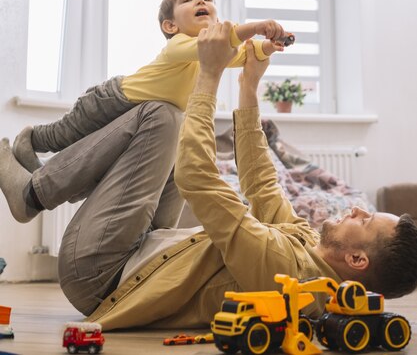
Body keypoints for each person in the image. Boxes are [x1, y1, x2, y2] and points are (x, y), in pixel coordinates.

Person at [1, 23, 417, 331]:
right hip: (145, 251)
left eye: (366, 221)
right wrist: (249, 87)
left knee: (161, 116)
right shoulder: (309, 251)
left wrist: (209, 75)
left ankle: (34, 195)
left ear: (357, 261)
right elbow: (261, 185)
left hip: (99, 277)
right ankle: (45, 188)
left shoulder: (288, 272)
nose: (358, 210)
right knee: (173, 118)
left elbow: (198, 179)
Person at [12, 0, 292, 173]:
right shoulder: (180, 45)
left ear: (216, 19)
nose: (200, 1)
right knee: (67, 134)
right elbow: (233, 37)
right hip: (114, 99)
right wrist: (255, 26)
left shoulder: (214, 53)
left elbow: (242, 53)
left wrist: (268, 45)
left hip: (141, 115)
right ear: (171, 25)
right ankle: (31, 138)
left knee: (97, 151)